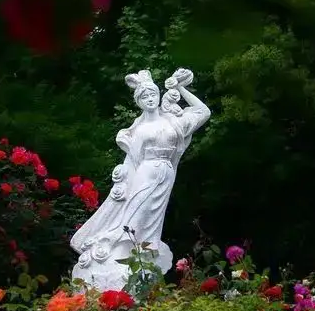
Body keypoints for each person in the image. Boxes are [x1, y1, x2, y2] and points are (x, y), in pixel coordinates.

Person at [71, 67, 211, 292]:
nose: (149, 98)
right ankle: (117, 253)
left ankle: (140, 258)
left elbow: (203, 111)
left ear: (158, 95)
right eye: (143, 96)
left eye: (152, 94)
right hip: (145, 172)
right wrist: (123, 184)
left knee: (152, 222)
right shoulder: (138, 128)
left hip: (166, 173)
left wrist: (181, 88)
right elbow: (133, 160)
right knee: (135, 212)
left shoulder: (174, 122)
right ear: (138, 101)